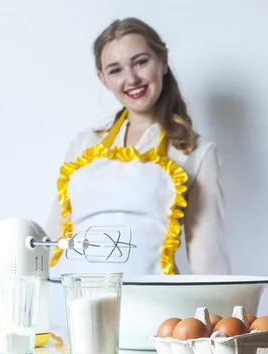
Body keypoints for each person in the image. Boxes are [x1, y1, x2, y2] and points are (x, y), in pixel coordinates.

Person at [44, 17, 231, 332]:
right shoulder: (84, 144)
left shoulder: (195, 154)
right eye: (116, 70)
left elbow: (207, 260)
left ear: (163, 61)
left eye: (140, 62)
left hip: (151, 318)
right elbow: (54, 237)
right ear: (103, 79)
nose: (131, 78)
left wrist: (221, 329)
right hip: (71, 315)